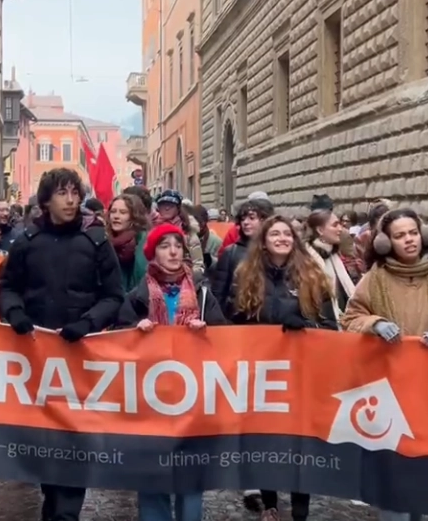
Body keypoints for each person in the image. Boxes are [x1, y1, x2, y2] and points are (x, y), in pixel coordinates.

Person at [0, 167, 125, 521]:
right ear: (46, 199)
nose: (70, 200)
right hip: (36, 359)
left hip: (81, 358)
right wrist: (15, 313)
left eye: (75, 193)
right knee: (44, 447)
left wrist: (88, 322)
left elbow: (114, 296)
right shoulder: (26, 241)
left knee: (73, 446)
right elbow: (6, 287)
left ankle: (65, 513)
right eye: (62, 193)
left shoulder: (96, 240)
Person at [341, 208, 428, 521]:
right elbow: (350, 320)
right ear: (387, 242)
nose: (409, 240)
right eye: (400, 235)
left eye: (412, 233)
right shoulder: (373, 281)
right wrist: (374, 324)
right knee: (392, 470)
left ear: (424, 235)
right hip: (387, 394)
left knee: (423, 470)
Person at [227, 216, 337, 521]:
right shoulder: (246, 275)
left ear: (295, 239)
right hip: (261, 374)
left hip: (300, 374)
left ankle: (301, 508)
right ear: (263, 241)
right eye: (274, 233)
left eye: (287, 233)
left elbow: (330, 327)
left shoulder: (312, 275)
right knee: (264, 438)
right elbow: (231, 319)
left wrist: (307, 326)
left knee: (299, 443)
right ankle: (270, 503)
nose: (281, 238)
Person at [115, 223, 227, 521]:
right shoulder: (137, 296)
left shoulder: (203, 295)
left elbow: (227, 338)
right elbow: (115, 339)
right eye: (165, 246)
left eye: (177, 245)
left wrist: (208, 332)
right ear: (152, 254)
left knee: (190, 477)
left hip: (192, 401)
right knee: (152, 476)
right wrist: (133, 331)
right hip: (149, 401)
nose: (174, 251)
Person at [212, 197, 274, 312]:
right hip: (237, 321)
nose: (245, 222)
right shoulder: (231, 253)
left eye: (251, 218)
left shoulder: (275, 252)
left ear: (265, 220)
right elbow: (218, 294)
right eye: (243, 218)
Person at [304, 209, 355, 320]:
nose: (340, 229)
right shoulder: (306, 260)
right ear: (320, 230)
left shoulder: (333, 256)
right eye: (335, 225)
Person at [152, 190, 205, 277]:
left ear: (178, 208)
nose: (167, 208)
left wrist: (187, 280)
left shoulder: (188, 232)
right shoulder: (152, 230)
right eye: (163, 204)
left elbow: (198, 264)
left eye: (171, 205)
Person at [107, 194, 150, 291]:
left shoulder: (144, 241)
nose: (116, 216)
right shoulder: (105, 241)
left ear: (134, 216)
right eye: (113, 212)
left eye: (123, 212)